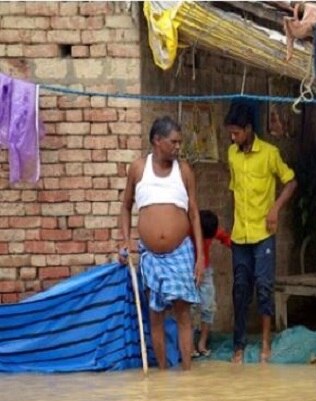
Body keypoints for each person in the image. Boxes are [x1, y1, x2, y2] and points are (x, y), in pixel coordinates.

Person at [119, 116, 204, 370]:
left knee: (183, 314)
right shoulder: (137, 169)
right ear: (157, 141)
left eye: (180, 142)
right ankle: (164, 374)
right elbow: (125, 208)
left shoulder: (184, 170)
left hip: (180, 253)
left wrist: (200, 257)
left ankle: (187, 372)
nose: (178, 147)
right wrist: (124, 242)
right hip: (150, 255)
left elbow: (194, 214)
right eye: (174, 142)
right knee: (155, 315)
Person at [224, 102, 297, 365]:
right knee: (240, 289)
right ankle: (238, 346)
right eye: (231, 134)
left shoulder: (270, 153)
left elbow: (290, 182)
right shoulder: (232, 154)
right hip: (239, 235)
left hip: (263, 233)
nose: (233, 138)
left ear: (248, 129)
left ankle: (266, 342)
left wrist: (275, 208)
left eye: (236, 133)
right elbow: (234, 190)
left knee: (264, 288)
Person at [192, 209, 232, 357]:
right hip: (188, 270)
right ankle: (189, 346)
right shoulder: (189, 230)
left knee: (208, 307)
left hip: (206, 271)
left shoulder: (211, 229)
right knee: (189, 309)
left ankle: (202, 343)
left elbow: (225, 238)